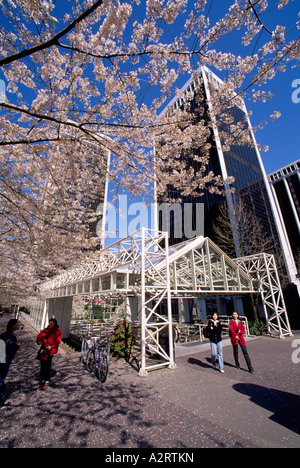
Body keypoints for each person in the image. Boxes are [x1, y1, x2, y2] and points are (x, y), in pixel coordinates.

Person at [36, 318, 62, 389]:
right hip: (44, 349)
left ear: (54, 324)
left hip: (50, 351)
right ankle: (43, 379)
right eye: (49, 323)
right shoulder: (45, 330)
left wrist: (52, 346)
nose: (50, 324)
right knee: (42, 365)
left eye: (51, 323)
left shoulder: (57, 331)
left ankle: (46, 380)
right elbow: (39, 336)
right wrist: (38, 341)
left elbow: (58, 340)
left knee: (47, 365)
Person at [0, 319, 20, 406]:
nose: (18, 325)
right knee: (1, 379)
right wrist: (17, 346)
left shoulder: (3, 335)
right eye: (17, 324)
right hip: (4, 360)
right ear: (13, 326)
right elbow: (11, 350)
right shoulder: (11, 337)